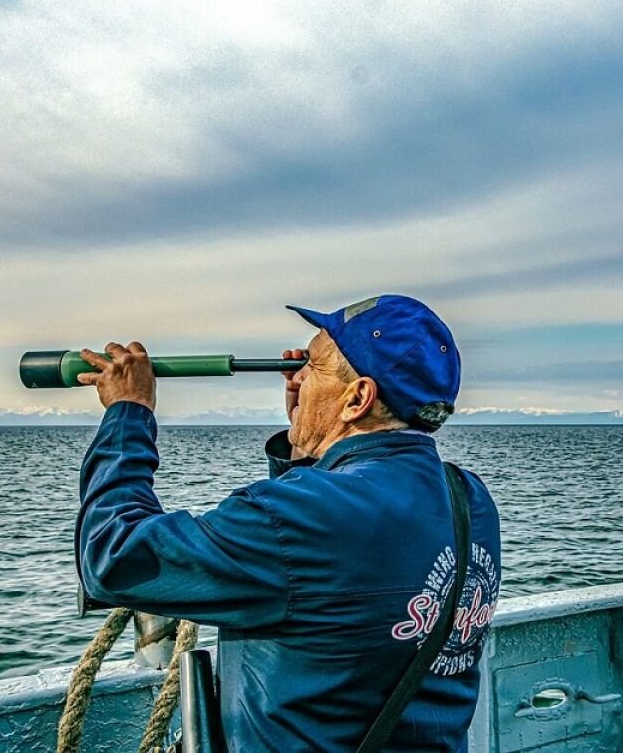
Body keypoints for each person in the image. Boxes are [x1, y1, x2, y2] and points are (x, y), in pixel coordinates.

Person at [75, 294, 502, 752]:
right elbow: (324, 576)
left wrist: (128, 413)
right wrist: (309, 443)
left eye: (313, 367)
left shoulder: (301, 517)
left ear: (357, 398)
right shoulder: (471, 500)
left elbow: (111, 558)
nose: (297, 377)